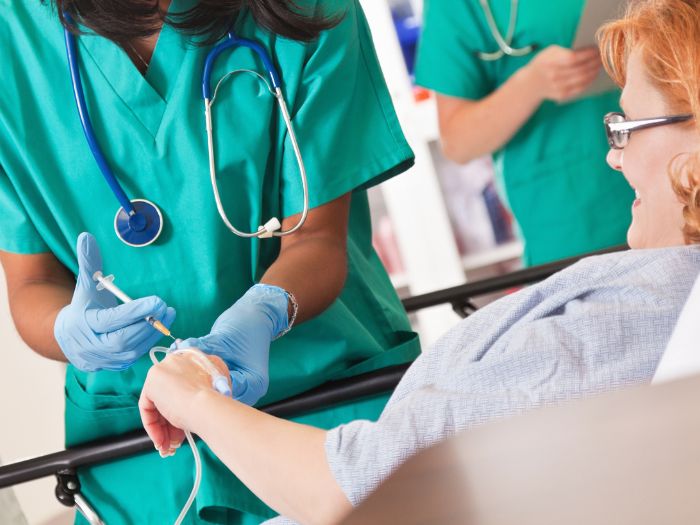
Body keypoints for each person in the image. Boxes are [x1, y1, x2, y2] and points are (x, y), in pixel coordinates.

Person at [138, 0, 700, 523]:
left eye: (623, 125)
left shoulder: (621, 323)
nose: (611, 153)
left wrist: (193, 399)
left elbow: (356, 485)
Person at [0, 0, 420, 522]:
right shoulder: (10, 37)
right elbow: (31, 281)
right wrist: (67, 330)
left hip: (323, 408)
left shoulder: (308, 8)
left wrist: (264, 312)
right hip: (144, 448)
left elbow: (316, 239)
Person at [414, 0, 635, 266]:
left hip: (671, 174)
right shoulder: (455, 6)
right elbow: (457, 142)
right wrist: (532, 84)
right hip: (569, 214)